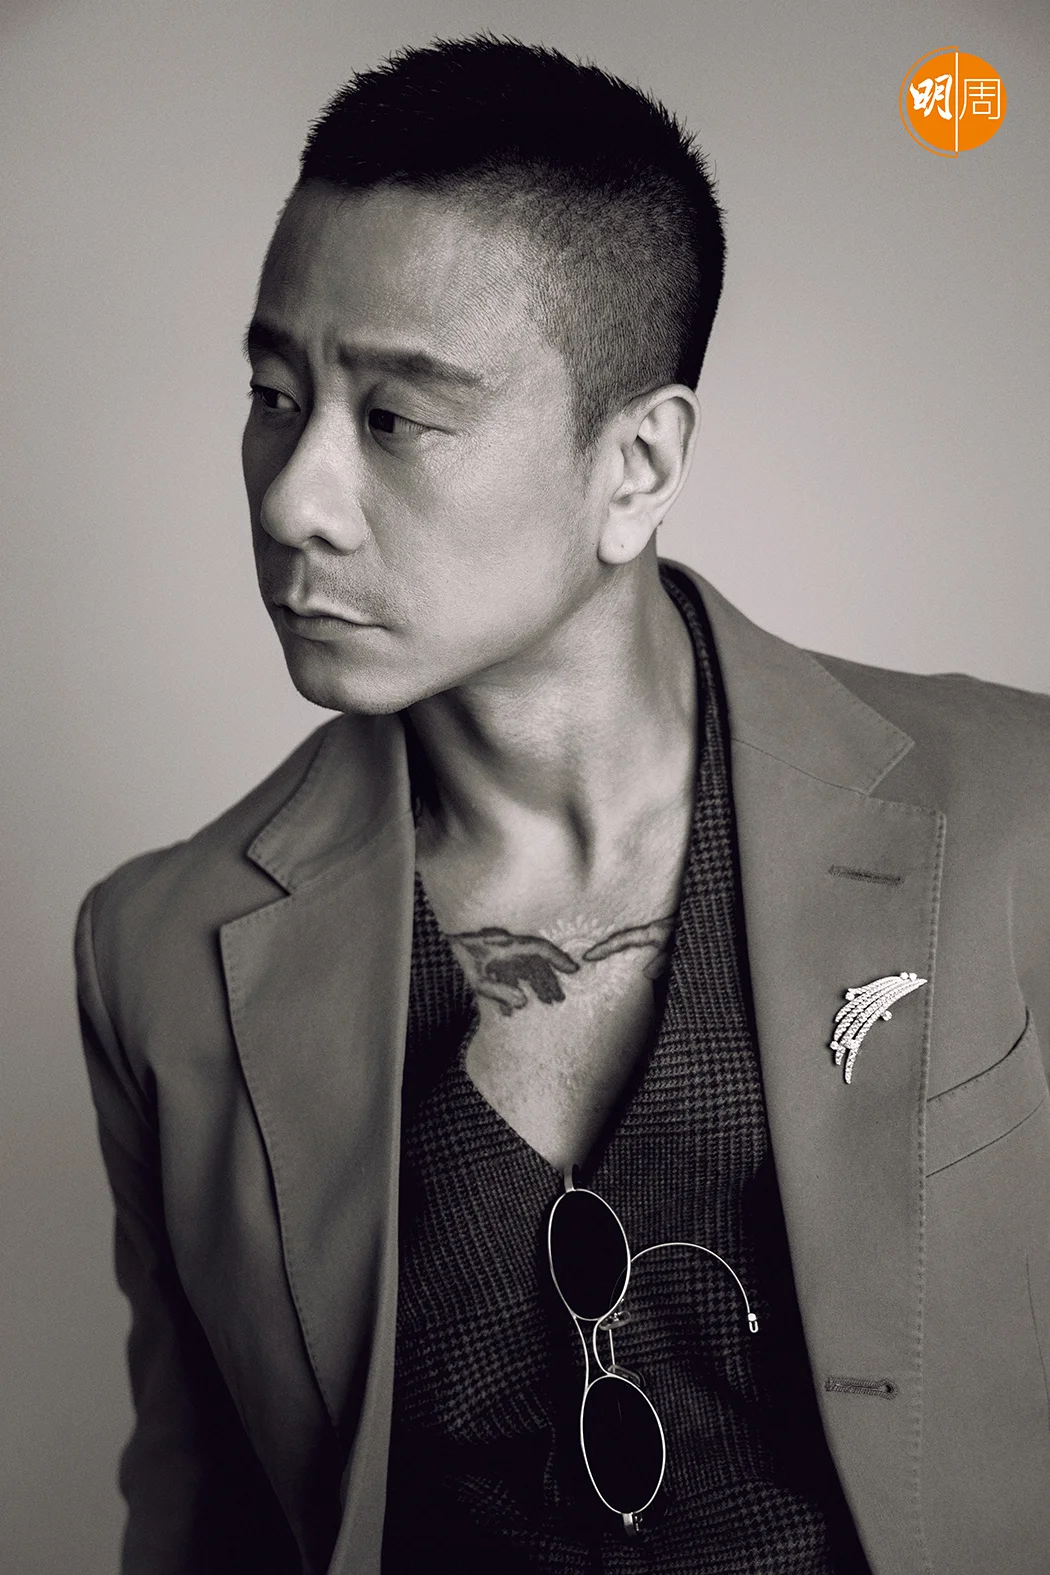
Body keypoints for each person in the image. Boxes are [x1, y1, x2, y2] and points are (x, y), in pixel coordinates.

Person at [75, 36, 1050, 1575]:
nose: (290, 497)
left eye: (394, 417)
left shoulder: (1014, 809)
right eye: (273, 394)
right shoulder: (160, 952)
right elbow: (206, 1518)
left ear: (635, 464)